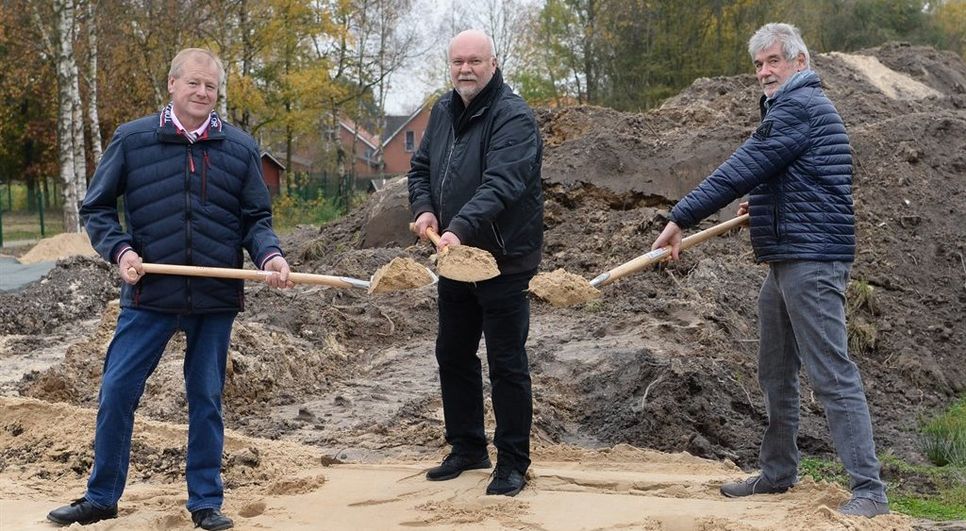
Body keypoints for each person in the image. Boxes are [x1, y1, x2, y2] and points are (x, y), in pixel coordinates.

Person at [650, 23, 889, 518]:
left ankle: (870, 491)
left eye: (773, 61)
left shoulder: (799, 105)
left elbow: (750, 162)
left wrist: (681, 217)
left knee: (831, 374)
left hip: (813, 260)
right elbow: (792, 175)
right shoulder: (791, 108)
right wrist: (760, 205)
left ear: (799, 63)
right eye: (758, 64)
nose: (763, 72)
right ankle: (778, 472)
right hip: (787, 256)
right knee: (775, 369)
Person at [47, 48, 291, 530]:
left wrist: (270, 255)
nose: (202, 94)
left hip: (214, 298)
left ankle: (205, 503)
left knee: (205, 398)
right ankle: (101, 497)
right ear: (172, 85)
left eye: (211, 87)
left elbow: (255, 220)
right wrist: (121, 252)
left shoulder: (240, 149)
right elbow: (96, 209)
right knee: (117, 391)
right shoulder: (133, 140)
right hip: (149, 296)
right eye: (194, 84)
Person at [408, 29, 543, 497]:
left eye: (474, 61)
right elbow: (420, 169)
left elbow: (502, 184)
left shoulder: (514, 117)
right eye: (457, 62)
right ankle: (467, 446)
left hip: (504, 259)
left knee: (506, 362)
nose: (465, 69)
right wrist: (423, 209)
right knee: (453, 352)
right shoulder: (443, 111)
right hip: (456, 259)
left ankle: (512, 463)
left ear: (494, 63)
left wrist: (458, 227)